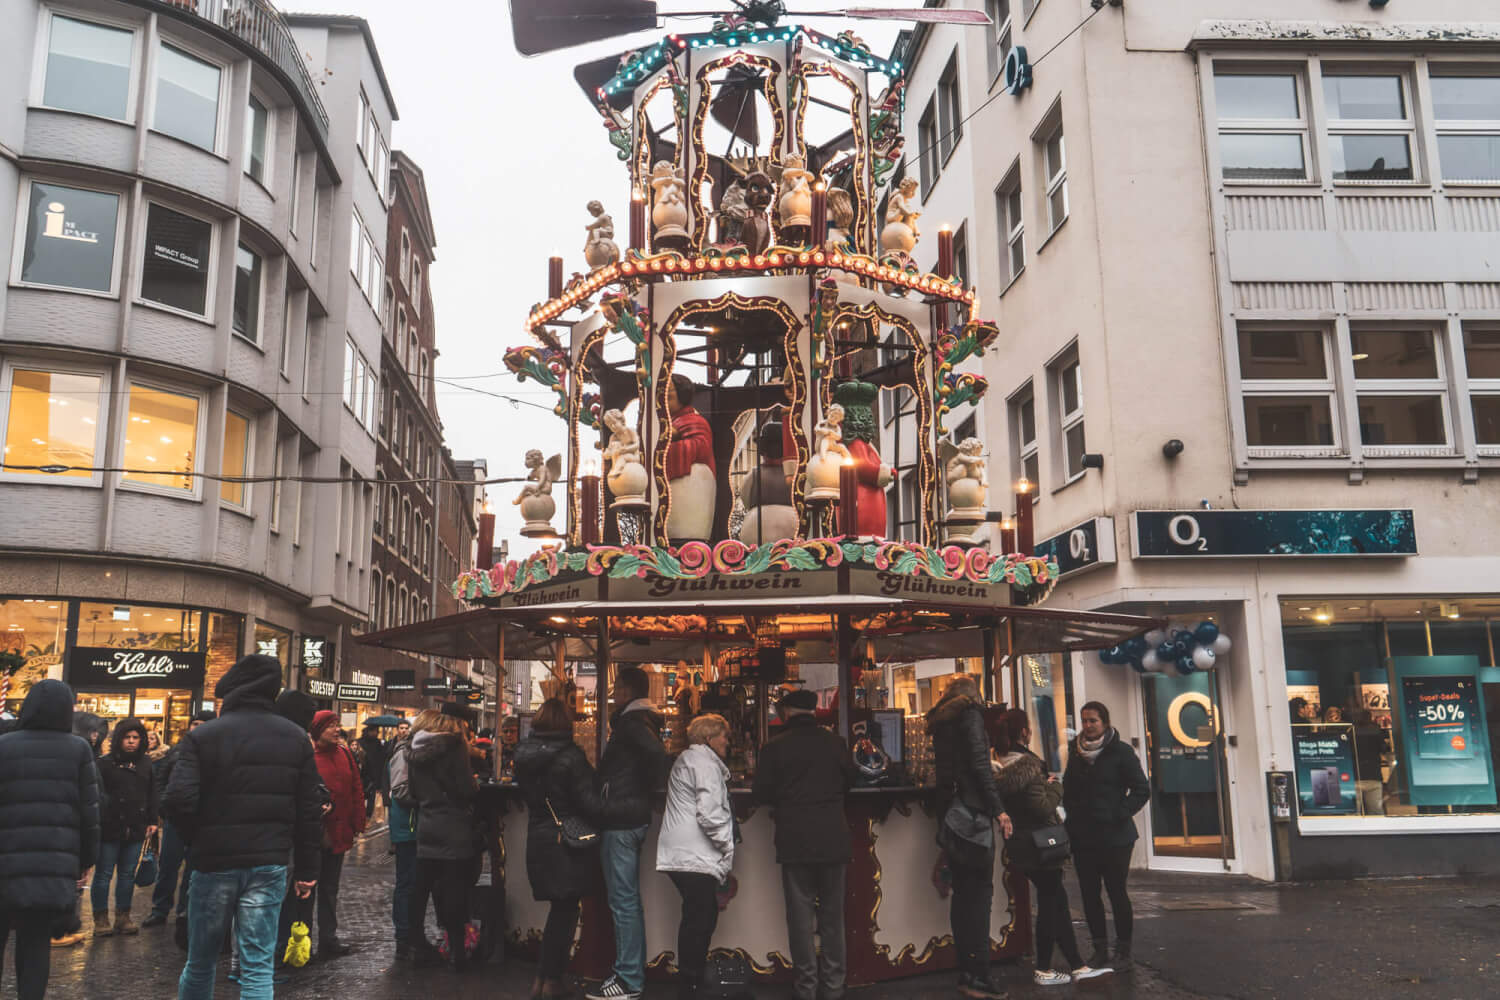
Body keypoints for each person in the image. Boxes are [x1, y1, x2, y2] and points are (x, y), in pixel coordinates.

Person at [164, 654, 323, 1000]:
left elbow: (177, 800)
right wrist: (308, 870)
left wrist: (198, 840)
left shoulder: (204, 736)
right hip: (269, 860)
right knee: (257, 966)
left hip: (214, 860)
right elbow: (309, 810)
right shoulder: (296, 738)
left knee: (200, 961)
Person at [752, 689, 855, 1000]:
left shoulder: (773, 748)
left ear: (786, 712)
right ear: (814, 711)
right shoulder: (835, 743)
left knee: (800, 920)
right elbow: (851, 780)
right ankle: (834, 987)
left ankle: (806, 987)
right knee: (833, 919)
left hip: (795, 839)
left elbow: (761, 793)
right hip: (833, 838)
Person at [0, 680, 99, 1000]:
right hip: (51, 863)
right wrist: (85, 861)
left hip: (4, 861)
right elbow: (90, 811)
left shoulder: (4, 744)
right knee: (35, 946)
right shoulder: (78, 749)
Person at [995, 711, 1108, 987]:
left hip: (1021, 843)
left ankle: (1077, 965)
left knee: (1056, 902)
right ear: (1024, 732)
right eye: (1029, 728)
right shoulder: (1029, 766)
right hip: (1040, 843)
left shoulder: (999, 761)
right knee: (1051, 904)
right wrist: (1056, 787)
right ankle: (1045, 969)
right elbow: (1042, 807)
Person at [926, 677, 1009, 1000]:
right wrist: (999, 810)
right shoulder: (971, 715)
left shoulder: (941, 722)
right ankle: (980, 976)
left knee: (962, 898)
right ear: (975, 696)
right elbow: (979, 766)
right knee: (980, 898)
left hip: (951, 816)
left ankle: (967, 971)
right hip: (973, 815)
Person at [515, 699, 604, 1000]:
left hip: (539, 838)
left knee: (559, 910)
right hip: (566, 842)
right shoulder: (570, 756)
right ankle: (551, 980)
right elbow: (588, 802)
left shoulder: (523, 755)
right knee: (565, 911)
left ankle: (542, 979)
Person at [588, 667, 668, 1000]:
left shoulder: (632, 724)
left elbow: (657, 758)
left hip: (621, 818)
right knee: (625, 900)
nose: (613, 692)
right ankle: (629, 975)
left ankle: (628, 979)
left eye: (617, 687)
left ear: (627, 690)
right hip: (629, 814)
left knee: (623, 902)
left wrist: (625, 792)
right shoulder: (642, 721)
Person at [1062, 702, 1150, 971]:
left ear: (1105, 723)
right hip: (1083, 836)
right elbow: (1069, 789)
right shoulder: (1076, 754)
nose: (1088, 726)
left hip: (1115, 837)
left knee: (1116, 892)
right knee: (1089, 894)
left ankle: (1123, 949)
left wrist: (1118, 813)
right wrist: (1070, 817)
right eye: (1084, 721)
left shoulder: (1121, 752)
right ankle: (1100, 948)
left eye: (1093, 721)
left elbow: (1141, 789)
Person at [657, 713, 735, 1000]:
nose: (728, 741)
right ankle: (690, 985)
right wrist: (727, 848)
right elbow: (710, 814)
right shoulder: (703, 763)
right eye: (724, 735)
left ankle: (691, 980)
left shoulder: (693, 760)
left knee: (699, 915)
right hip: (693, 853)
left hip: (685, 852)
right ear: (709, 738)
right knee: (699, 918)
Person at [407, 709, 481, 971]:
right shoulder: (455, 745)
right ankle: (457, 952)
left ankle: (415, 945)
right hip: (453, 827)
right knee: (453, 891)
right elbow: (465, 789)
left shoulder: (413, 749)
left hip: (427, 825)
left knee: (421, 888)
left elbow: (413, 791)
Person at [145, 709, 218, 930]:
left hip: (201, 819)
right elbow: (160, 780)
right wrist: (163, 807)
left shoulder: (217, 752)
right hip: (176, 818)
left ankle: (184, 911)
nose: (196, 727)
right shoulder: (178, 751)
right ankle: (159, 909)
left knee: (192, 869)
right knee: (168, 865)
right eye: (194, 723)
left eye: (201, 723)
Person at [92, 717, 158, 937]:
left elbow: (151, 793)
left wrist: (152, 820)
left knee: (128, 874)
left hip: (136, 827)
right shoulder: (104, 763)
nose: (131, 741)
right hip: (110, 826)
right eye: (127, 737)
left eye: (136, 737)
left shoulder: (146, 763)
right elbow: (97, 796)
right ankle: (100, 919)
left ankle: (123, 916)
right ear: (119, 739)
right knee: (103, 875)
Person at [49, 712, 109, 950]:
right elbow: (91, 803)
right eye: (93, 731)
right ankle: (58, 929)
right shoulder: (78, 752)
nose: (96, 736)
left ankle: (59, 926)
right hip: (67, 830)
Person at [309, 710, 365, 959]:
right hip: (314, 834)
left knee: (330, 888)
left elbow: (356, 787)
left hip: (338, 832)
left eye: (338, 725)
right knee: (306, 889)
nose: (337, 730)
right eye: (331, 726)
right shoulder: (308, 756)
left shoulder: (344, 753)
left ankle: (328, 939)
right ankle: (302, 940)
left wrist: (357, 822)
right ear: (317, 730)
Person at [387, 715, 420, 961]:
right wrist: (426, 798)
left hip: (412, 827)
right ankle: (404, 935)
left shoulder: (412, 753)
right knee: (407, 882)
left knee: (412, 882)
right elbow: (400, 791)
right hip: (407, 827)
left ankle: (410, 934)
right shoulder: (404, 754)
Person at [358, 722, 390, 819]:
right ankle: (361, 815)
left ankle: (367, 816)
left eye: (376, 731)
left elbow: (381, 758)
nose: (375, 733)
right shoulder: (360, 742)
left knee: (372, 797)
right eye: (373, 731)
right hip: (362, 773)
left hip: (374, 774)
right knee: (360, 796)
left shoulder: (378, 743)